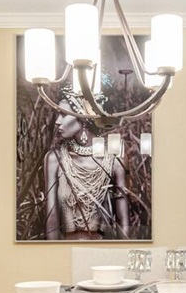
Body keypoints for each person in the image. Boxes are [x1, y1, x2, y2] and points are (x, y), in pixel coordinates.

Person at [44, 95, 129, 240]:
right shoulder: (54, 159)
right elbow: (51, 220)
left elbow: (124, 223)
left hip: (104, 254)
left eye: (63, 114)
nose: (57, 121)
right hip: (65, 253)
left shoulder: (114, 159)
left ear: (83, 117)